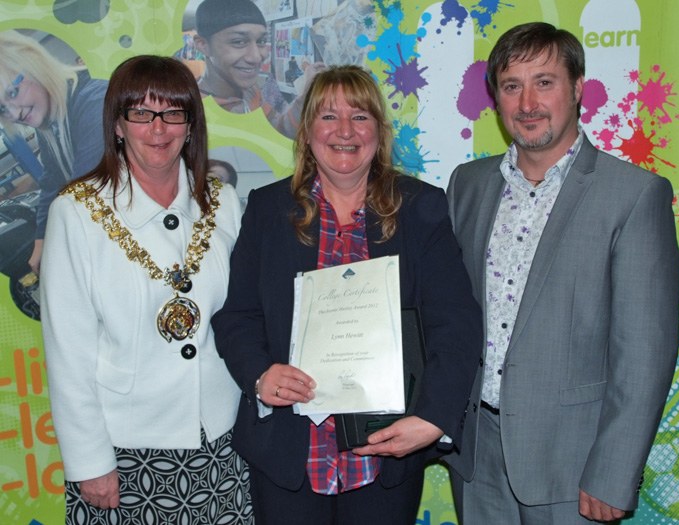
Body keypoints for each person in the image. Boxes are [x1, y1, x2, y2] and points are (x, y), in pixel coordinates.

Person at [211, 65, 482, 524]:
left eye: (360, 117)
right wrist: (260, 375)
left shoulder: (421, 208)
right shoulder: (267, 209)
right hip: (289, 455)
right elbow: (238, 315)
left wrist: (434, 417)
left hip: (386, 452)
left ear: (379, 130)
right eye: (328, 116)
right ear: (307, 131)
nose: (344, 132)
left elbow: (455, 323)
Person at [445, 22, 679, 524]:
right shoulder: (467, 184)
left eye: (544, 82)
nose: (527, 102)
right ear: (496, 99)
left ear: (577, 89)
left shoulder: (634, 195)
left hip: (575, 469)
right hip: (476, 458)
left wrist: (613, 472)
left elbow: (644, 353)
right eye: (512, 86)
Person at [40, 55, 253, 524]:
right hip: (124, 451)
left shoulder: (223, 203)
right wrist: (89, 462)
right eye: (141, 113)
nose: (158, 128)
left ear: (191, 125)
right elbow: (67, 350)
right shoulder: (75, 212)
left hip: (222, 439)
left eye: (173, 112)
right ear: (117, 124)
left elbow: (243, 315)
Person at [0, 30, 107, 275]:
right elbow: (53, 181)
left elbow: (84, 191)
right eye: (2, 109)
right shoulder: (51, 123)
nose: (14, 115)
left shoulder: (95, 101)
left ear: (34, 65)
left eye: (13, 93)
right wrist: (41, 239)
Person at [192, 0, 323, 139]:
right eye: (238, 42)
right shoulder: (187, 110)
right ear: (203, 45)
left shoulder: (251, 92)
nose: (257, 57)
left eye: (260, 41)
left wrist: (308, 92)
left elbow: (277, 131)